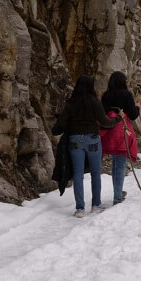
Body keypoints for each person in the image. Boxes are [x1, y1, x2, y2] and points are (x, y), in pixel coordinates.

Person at [53, 75, 120, 218]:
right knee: (96, 173)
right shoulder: (94, 102)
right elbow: (105, 122)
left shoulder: (71, 103)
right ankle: (96, 205)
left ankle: (80, 209)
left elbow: (60, 126)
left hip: (75, 140)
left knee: (78, 175)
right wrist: (118, 118)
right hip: (92, 140)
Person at [101, 71, 141, 205]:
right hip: (122, 131)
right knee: (120, 164)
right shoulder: (126, 95)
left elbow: (102, 113)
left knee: (115, 164)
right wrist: (137, 107)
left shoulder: (106, 96)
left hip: (109, 132)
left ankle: (117, 192)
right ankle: (117, 196)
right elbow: (133, 115)